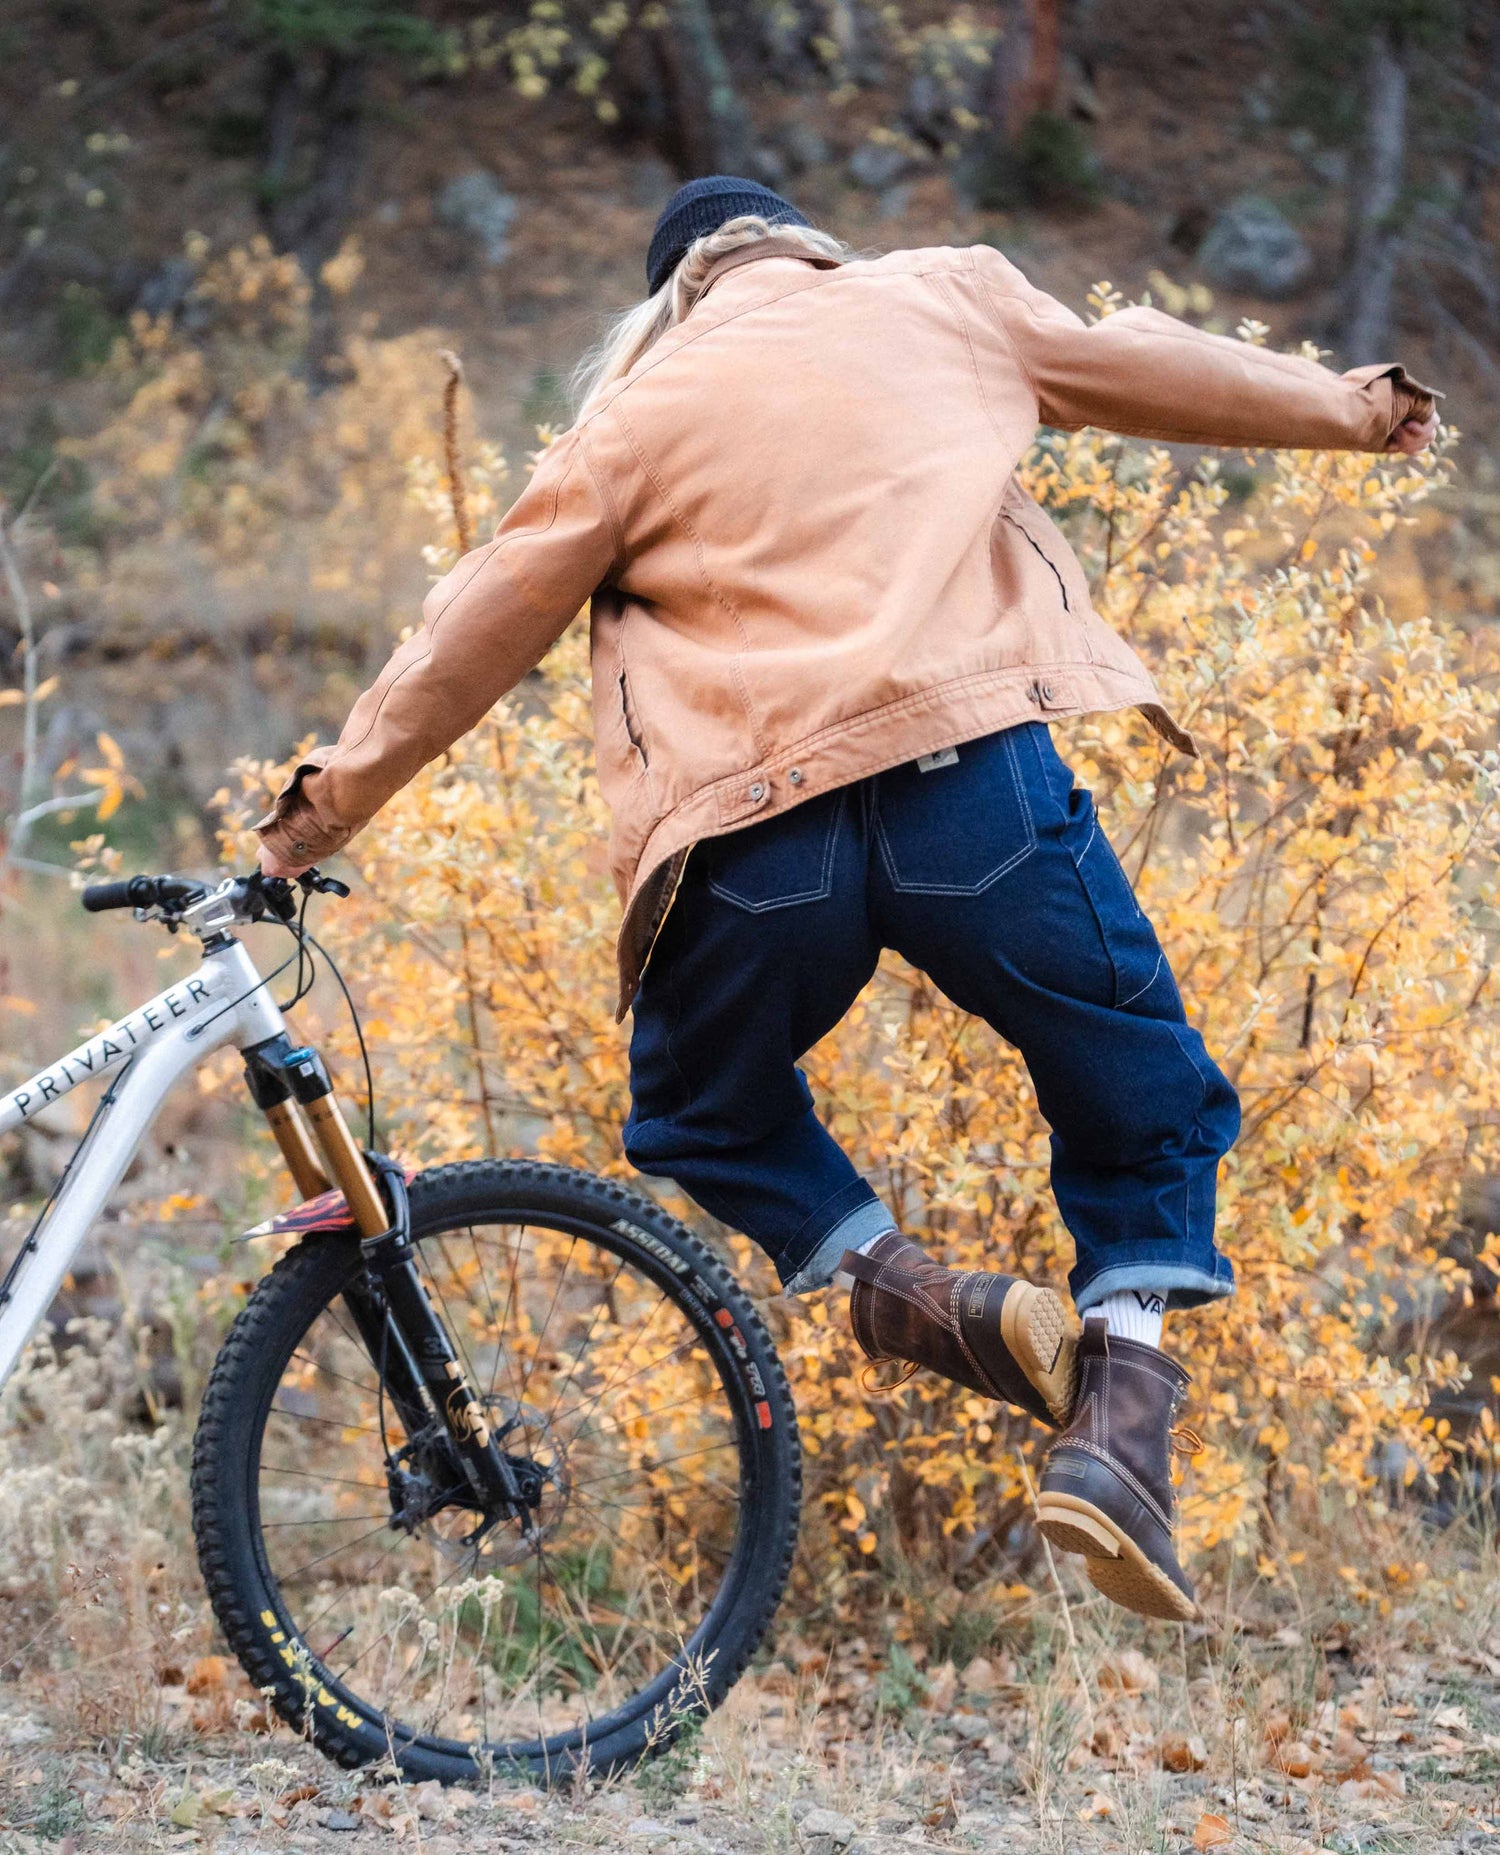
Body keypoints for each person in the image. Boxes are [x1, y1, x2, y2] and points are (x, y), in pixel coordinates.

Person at [257, 176, 1441, 1624]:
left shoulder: (630, 418)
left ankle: (910, 1289)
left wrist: (315, 818)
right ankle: (1123, 1417)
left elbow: (471, 631)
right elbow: (1156, 361)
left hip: (759, 851)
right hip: (975, 799)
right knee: (1144, 1085)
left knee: (703, 1111)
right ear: (805, 242)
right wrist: (1355, 406)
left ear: (673, 292)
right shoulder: (949, 296)